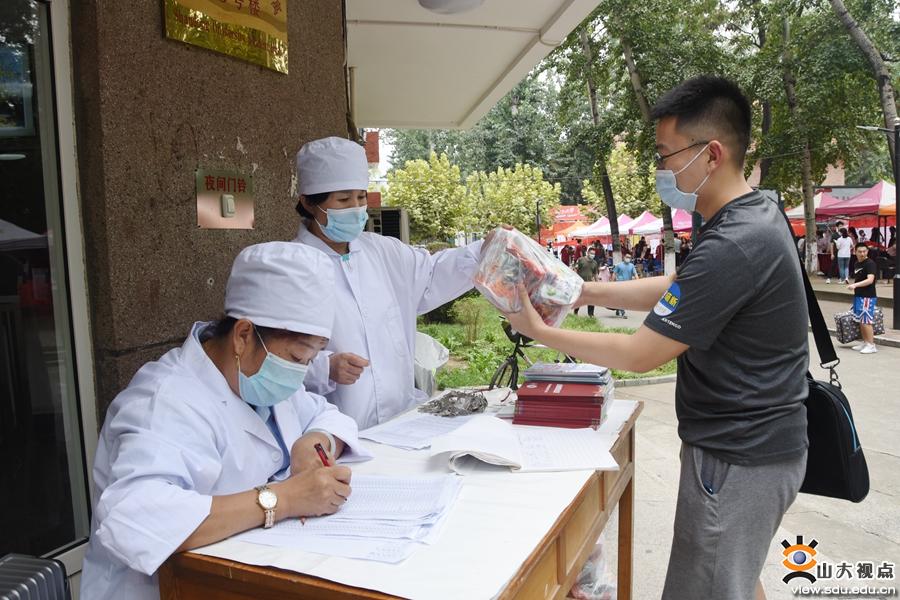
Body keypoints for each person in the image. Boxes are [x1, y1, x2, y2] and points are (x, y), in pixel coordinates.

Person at [499, 76, 808, 600]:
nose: (662, 168)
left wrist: (543, 330)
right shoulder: (749, 215)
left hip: (737, 456)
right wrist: (578, 291)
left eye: (667, 154)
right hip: (755, 448)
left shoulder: (734, 241)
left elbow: (642, 353)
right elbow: (681, 288)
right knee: (731, 580)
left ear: (711, 154)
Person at [80, 242, 368, 600]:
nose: (301, 373)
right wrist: (284, 499)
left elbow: (326, 414)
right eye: (297, 357)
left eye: (309, 361)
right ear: (244, 335)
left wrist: (318, 441)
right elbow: (134, 518)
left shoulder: (262, 378)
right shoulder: (164, 402)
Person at [293, 137, 483, 429]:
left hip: (401, 422)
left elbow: (432, 274)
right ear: (308, 202)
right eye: (343, 200)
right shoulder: (291, 267)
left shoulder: (382, 251)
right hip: (335, 431)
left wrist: (484, 251)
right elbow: (266, 355)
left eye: (360, 197)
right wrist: (324, 368)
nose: (356, 208)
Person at [848, 243, 878, 354]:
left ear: (867, 252)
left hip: (868, 296)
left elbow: (870, 280)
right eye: (859, 251)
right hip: (859, 295)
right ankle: (866, 342)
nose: (862, 254)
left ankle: (871, 344)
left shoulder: (870, 264)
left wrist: (855, 285)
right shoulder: (856, 263)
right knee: (861, 319)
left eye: (864, 251)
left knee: (866, 320)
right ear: (855, 252)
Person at [611, 252, 638, 317]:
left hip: (628, 284)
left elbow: (635, 274)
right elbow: (614, 273)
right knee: (621, 297)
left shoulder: (632, 266)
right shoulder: (619, 265)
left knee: (625, 298)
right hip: (620, 283)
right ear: (624, 257)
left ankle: (618, 309)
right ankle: (622, 311)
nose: (628, 259)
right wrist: (612, 282)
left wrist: (638, 281)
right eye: (627, 257)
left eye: (629, 258)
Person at [573, 247, 599, 317]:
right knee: (579, 298)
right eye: (591, 253)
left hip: (590, 283)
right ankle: (575, 312)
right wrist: (576, 279)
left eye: (594, 254)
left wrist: (598, 283)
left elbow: (595, 273)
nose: (593, 255)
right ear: (588, 253)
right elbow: (575, 269)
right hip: (581, 283)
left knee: (591, 299)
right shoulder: (581, 260)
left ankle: (591, 314)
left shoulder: (594, 263)